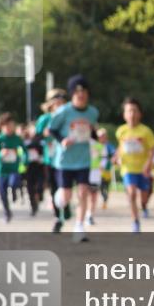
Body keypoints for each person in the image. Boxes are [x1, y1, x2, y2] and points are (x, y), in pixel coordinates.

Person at [46, 75, 100, 242]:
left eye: (84, 91)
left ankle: (79, 227)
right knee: (65, 197)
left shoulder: (93, 112)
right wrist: (62, 140)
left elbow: (91, 132)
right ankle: (59, 197)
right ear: (72, 95)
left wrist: (99, 136)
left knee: (83, 192)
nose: (81, 95)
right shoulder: (64, 111)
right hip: (65, 161)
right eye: (77, 92)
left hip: (83, 159)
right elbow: (52, 129)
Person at [115, 97, 154, 233]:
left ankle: (144, 206)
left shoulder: (145, 131)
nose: (132, 114)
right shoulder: (121, 131)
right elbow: (120, 147)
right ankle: (135, 221)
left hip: (143, 169)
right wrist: (117, 157)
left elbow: (152, 150)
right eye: (129, 111)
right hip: (128, 168)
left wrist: (148, 164)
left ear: (140, 114)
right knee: (132, 193)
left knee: (144, 196)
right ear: (124, 114)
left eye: (134, 111)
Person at [36, 88, 71, 230]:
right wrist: (44, 134)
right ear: (50, 104)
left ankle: (66, 206)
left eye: (62, 102)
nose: (60, 105)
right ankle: (58, 217)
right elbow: (37, 135)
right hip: (50, 158)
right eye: (57, 102)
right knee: (53, 187)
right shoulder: (45, 119)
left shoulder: (67, 117)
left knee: (65, 186)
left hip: (65, 158)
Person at [0, 112, 25, 222]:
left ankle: (15, 192)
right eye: (7, 126)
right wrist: (0, 154)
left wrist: (24, 160)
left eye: (12, 125)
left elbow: (24, 151)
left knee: (14, 183)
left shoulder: (17, 139)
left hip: (14, 169)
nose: (10, 128)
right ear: (1, 127)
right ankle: (7, 212)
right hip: (2, 171)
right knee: (2, 193)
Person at [23, 123, 45, 216]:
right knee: (30, 188)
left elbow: (45, 150)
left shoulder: (41, 139)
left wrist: (42, 158)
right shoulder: (24, 140)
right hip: (28, 167)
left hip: (39, 165)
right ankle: (33, 206)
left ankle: (39, 196)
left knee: (40, 185)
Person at [96, 128, 116, 210]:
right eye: (100, 136)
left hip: (106, 169)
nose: (102, 138)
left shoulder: (109, 145)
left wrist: (113, 160)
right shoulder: (96, 145)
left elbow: (114, 153)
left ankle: (105, 200)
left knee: (106, 186)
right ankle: (104, 197)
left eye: (103, 136)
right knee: (100, 186)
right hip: (98, 168)